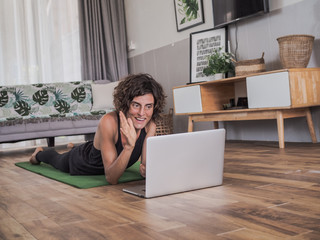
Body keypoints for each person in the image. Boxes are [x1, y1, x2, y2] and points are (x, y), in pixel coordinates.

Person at [29, 73, 166, 185]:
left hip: (96, 150)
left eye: (148, 106)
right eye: (136, 105)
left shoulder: (150, 126)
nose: (142, 113)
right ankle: (39, 153)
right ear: (125, 103)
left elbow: (146, 165)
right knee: (57, 160)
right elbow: (112, 178)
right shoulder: (109, 122)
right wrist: (129, 147)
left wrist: (147, 170)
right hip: (82, 162)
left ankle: (72, 147)